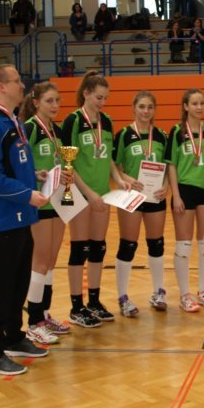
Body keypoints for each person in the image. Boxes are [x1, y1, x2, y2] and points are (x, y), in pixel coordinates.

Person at [0, 64, 49, 375]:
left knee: (17, 284)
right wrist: (26, 194)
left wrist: (35, 176)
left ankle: (13, 337)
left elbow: (11, 165)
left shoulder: (13, 120)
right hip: (0, 219)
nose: (22, 85)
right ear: (2, 87)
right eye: (16, 81)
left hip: (19, 217)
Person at [61, 71, 129, 327]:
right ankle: (76, 307)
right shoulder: (73, 121)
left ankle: (94, 301)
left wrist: (118, 179)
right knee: (80, 248)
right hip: (81, 193)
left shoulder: (107, 121)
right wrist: (89, 193)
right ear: (86, 93)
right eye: (99, 97)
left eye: (106, 98)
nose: (103, 102)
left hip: (102, 193)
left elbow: (108, 157)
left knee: (98, 247)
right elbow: (67, 163)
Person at [165, 88, 204, 312]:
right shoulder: (176, 131)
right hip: (185, 191)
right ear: (186, 106)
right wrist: (176, 195)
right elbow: (171, 165)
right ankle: (184, 295)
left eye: (202, 103)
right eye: (195, 103)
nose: (199, 107)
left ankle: (203, 291)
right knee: (184, 245)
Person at [20, 82, 69, 344]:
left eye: (57, 100)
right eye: (49, 101)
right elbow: (18, 164)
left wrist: (67, 177)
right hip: (39, 202)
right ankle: (34, 322)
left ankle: (45, 314)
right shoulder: (29, 128)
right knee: (39, 263)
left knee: (50, 261)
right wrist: (34, 175)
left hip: (57, 201)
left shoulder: (57, 130)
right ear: (36, 102)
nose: (55, 105)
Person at [113, 91, 171, 311]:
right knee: (128, 245)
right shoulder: (124, 135)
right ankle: (123, 297)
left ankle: (158, 292)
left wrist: (166, 185)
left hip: (155, 196)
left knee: (156, 243)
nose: (146, 111)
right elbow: (115, 166)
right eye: (142, 107)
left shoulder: (161, 136)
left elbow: (168, 166)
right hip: (131, 195)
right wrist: (127, 179)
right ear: (134, 108)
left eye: (150, 107)